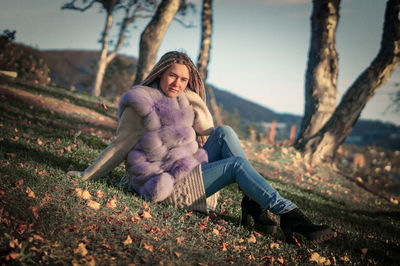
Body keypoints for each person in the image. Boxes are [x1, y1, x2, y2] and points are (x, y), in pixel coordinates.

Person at [68, 51, 334, 244]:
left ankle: (255, 206)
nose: (177, 84)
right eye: (172, 76)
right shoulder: (140, 104)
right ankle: (288, 215)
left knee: (225, 131)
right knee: (237, 165)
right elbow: (118, 146)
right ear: (161, 73)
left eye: (183, 80)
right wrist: (86, 176)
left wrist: (193, 100)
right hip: (166, 183)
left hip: (185, 169)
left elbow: (211, 131)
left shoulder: (184, 99)